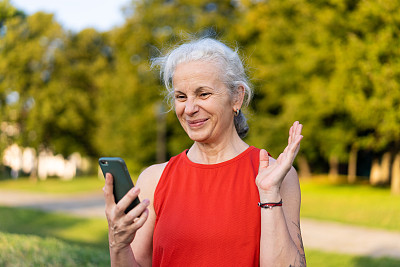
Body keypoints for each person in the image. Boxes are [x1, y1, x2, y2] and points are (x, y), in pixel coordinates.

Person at [103, 37, 306, 267]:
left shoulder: (277, 175)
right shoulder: (154, 179)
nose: (189, 109)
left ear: (237, 97)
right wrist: (118, 244)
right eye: (181, 97)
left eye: (203, 94)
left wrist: (270, 196)